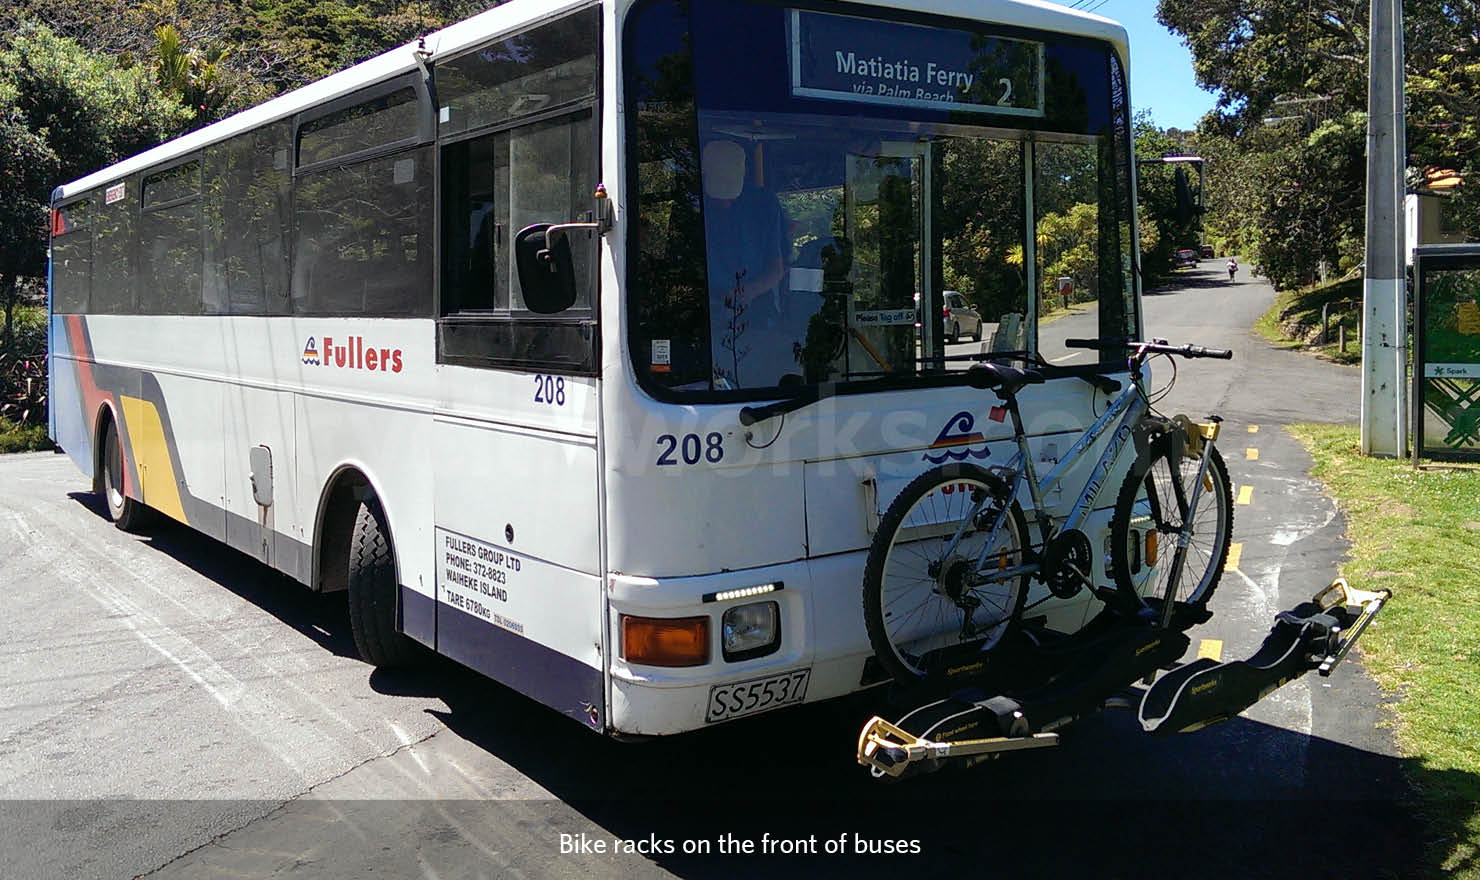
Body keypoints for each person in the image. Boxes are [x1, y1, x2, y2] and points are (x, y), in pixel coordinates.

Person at [700, 140, 791, 387]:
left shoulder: (764, 204)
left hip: (757, 317)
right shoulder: (692, 204)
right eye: (718, 195)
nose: (726, 203)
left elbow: (778, 267)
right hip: (704, 321)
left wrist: (747, 292)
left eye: (732, 194)